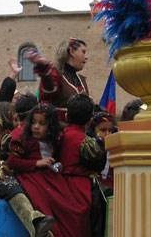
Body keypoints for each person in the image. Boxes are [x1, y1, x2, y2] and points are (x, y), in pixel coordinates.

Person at [0, 103, 55, 237]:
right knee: (13, 191)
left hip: (10, 182)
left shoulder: (4, 151)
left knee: (29, 190)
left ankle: (41, 228)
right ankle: (35, 223)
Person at [7, 104, 82, 237]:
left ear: (51, 126)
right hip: (33, 179)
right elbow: (12, 162)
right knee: (44, 206)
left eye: (42, 123)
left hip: (53, 179)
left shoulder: (54, 142)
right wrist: (36, 163)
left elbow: (55, 158)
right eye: (34, 122)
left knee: (69, 209)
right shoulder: (25, 141)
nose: (36, 127)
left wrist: (57, 165)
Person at [59, 94, 106, 237]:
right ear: (90, 121)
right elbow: (98, 164)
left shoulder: (59, 136)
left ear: (67, 116)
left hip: (60, 188)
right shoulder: (85, 141)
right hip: (81, 190)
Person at [26, 38, 89, 122]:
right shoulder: (56, 75)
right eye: (83, 52)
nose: (86, 57)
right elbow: (48, 91)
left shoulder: (81, 79)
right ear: (72, 51)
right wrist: (44, 68)